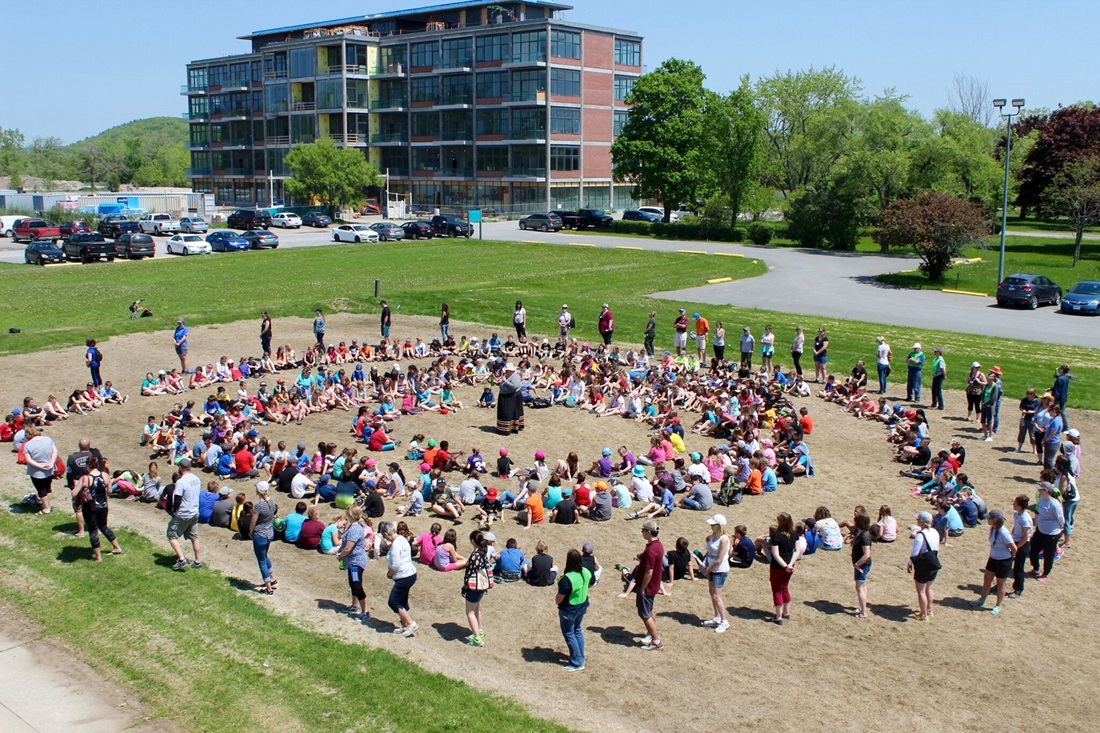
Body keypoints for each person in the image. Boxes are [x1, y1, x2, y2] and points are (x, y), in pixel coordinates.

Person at [71, 455, 121, 562]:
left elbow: (74, 493)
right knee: (104, 527)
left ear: (87, 466)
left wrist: (77, 486)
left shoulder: (85, 478)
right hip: (103, 506)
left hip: (90, 508)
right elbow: (110, 491)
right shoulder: (105, 475)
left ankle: (98, 557)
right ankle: (117, 547)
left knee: (93, 531)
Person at [970, 509, 1016, 616]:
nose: (987, 520)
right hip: (993, 558)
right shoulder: (992, 529)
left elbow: (1014, 549)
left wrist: (1009, 559)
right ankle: (982, 599)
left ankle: (998, 605)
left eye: (989, 518)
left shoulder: (1004, 533)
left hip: (1003, 561)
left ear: (995, 520)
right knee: (987, 580)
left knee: (1000, 584)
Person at [556, 548, 593, 671]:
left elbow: (559, 598)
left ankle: (577, 662)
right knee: (577, 630)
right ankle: (580, 656)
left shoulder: (567, 578)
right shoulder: (586, 572)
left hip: (569, 609)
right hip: (582, 606)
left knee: (569, 633)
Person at [380, 521, 418, 637]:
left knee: (393, 601)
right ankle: (405, 625)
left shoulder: (396, 544)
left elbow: (395, 564)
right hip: (410, 574)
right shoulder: (402, 539)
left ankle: (411, 623)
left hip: (404, 576)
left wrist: (389, 574)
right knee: (402, 601)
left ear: (386, 533)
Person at [631, 520, 665, 651]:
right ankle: (651, 634)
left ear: (649, 532)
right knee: (650, 610)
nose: (641, 532)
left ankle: (656, 642)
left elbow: (649, 572)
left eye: (643, 530)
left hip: (648, 587)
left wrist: (643, 588)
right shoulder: (657, 545)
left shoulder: (651, 550)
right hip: (654, 586)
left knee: (645, 614)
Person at [167, 458, 203, 571]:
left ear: (180, 468)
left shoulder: (181, 482)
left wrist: (174, 510)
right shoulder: (197, 479)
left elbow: (177, 499)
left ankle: (182, 560)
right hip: (194, 512)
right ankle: (198, 561)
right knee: (194, 537)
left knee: (171, 535)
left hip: (183, 513)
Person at [698, 514, 731, 633]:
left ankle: (724, 621)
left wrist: (707, 570)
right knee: (712, 593)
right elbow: (708, 552)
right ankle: (717, 617)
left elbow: (719, 559)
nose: (711, 526)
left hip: (719, 571)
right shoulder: (713, 536)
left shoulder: (724, 539)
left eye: (713, 525)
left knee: (717, 596)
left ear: (719, 526)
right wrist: (706, 564)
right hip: (711, 569)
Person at [337, 505, 371, 619]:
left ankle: (365, 611)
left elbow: (348, 548)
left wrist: (340, 555)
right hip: (352, 562)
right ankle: (354, 605)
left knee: (357, 585)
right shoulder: (352, 526)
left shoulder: (355, 529)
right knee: (353, 584)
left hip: (356, 563)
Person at [462, 530, 494, 647]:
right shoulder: (483, 552)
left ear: (472, 541)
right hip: (482, 586)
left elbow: (471, 572)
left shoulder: (475, 555)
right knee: (476, 609)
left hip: (474, 587)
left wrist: (465, 586)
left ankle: (477, 639)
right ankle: (479, 630)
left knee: (470, 613)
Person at [1028, 482, 1064, 581]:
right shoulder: (1041, 500)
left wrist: (1061, 527)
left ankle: (1046, 574)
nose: (1038, 491)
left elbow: (1061, 519)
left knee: (1048, 555)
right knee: (1033, 550)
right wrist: (1037, 527)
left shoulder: (1055, 504)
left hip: (1051, 534)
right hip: (1040, 531)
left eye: (1040, 489)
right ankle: (1035, 569)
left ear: (1046, 491)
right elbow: (1038, 513)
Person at [768, 512, 800, 625]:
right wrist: (790, 565)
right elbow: (797, 551)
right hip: (790, 566)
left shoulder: (776, 536)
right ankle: (786, 612)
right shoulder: (795, 534)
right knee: (785, 587)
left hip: (778, 567)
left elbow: (775, 554)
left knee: (777, 590)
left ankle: (778, 616)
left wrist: (785, 566)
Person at [907, 511, 940, 621]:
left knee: (921, 591)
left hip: (923, 565)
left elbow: (914, 553)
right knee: (929, 588)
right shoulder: (935, 532)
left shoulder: (920, 536)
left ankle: (923, 614)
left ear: (922, 522)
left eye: (918, 519)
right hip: (934, 563)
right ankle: (929, 610)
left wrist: (909, 564)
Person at [23, 425, 58, 516]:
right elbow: (54, 451)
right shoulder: (48, 439)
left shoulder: (27, 445)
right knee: (48, 487)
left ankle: (46, 508)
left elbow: (29, 460)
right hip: (50, 468)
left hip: (37, 472)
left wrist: (40, 466)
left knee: (41, 490)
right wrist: (51, 462)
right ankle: (47, 505)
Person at [251, 482, 278, 595]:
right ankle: (273, 578)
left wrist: (250, 532)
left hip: (260, 534)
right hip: (269, 532)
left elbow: (253, 521)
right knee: (265, 556)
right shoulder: (272, 501)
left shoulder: (258, 505)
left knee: (261, 560)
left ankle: (268, 588)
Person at [1008, 495, 1033, 599]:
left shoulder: (1025, 519)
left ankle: (1018, 589)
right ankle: (1000, 584)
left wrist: (1016, 548)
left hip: (1022, 545)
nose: (1013, 504)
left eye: (1015, 503)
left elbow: (1025, 536)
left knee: (1018, 568)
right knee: (1005, 564)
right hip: (1015, 542)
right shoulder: (1016, 514)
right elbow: (1015, 527)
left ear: (1019, 506)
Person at [851, 513, 872, 618]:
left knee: (859, 587)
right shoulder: (860, 533)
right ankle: (861, 606)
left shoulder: (865, 536)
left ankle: (863, 612)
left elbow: (867, 554)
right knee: (862, 586)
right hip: (860, 565)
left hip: (862, 566)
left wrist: (857, 564)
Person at [496, 362, 524, 435]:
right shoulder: (506, 375)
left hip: (511, 397)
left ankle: (511, 428)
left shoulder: (516, 377)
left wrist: (505, 381)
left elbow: (514, 386)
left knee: (509, 412)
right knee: (504, 413)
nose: (507, 371)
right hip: (504, 396)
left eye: (508, 370)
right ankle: (503, 428)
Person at [1051, 364, 1074, 429]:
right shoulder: (1066, 377)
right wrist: (1051, 388)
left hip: (1058, 398)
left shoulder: (1060, 379)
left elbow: (1057, 390)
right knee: (1062, 412)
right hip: (1063, 397)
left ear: (1062, 370)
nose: (1059, 369)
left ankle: (1056, 425)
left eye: (1060, 368)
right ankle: (1065, 427)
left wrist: (1054, 398)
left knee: (1055, 411)